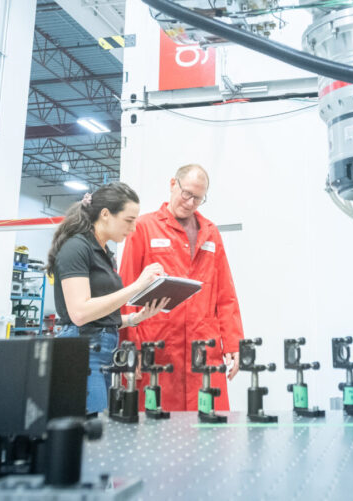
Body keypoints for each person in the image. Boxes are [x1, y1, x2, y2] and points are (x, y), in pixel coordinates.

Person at [118, 164, 243, 412]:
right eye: (186, 193)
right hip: (157, 347)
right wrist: (130, 346)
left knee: (210, 432)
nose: (190, 202)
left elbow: (225, 295)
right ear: (173, 184)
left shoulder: (211, 233)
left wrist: (233, 343)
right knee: (155, 432)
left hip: (203, 348)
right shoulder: (144, 228)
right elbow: (126, 290)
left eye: (198, 198)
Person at [47, 181, 170, 414]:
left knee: (100, 426)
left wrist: (135, 318)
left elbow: (99, 317)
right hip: (82, 351)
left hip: (103, 351)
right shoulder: (76, 248)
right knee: (91, 428)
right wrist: (137, 286)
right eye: (128, 220)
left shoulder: (104, 254)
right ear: (105, 214)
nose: (133, 228)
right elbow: (80, 313)